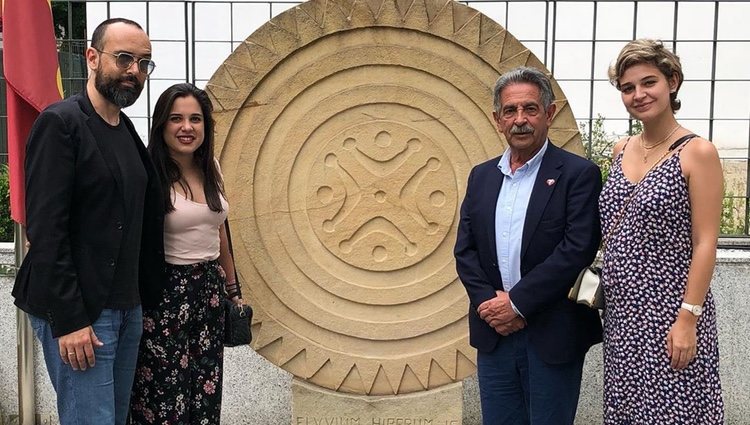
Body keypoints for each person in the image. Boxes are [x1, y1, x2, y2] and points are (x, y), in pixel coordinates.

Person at [12, 18, 163, 425]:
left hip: (125, 308)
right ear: (92, 58)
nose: (135, 71)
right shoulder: (61, 123)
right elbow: (45, 229)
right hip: (83, 313)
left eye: (144, 63)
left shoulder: (125, 128)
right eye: (125, 58)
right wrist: (71, 321)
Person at [454, 66, 603, 425]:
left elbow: (576, 249)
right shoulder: (482, 175)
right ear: (497, 119)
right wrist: (492, 306)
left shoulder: (578, 174)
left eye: (530, 109)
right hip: (495, 333)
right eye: (510, 111)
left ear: (549, 114)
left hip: (552, 334)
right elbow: (465, 250)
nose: (520, 120)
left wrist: (517, 304)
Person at [601, 39, 724, 424]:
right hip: (623, 315)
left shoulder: (697, 152)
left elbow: (706, 243)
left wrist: (688, 318)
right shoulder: (621, 149)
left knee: (677, 411)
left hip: (672, 312)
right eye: (627, 88)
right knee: (629, 411)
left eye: (648, 82)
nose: (638, 95)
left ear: (672, 82)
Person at [128, 83, 242, 424]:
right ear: (161, 124)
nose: (186, 127)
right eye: (176, 119)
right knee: (165, 397)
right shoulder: (147, 174)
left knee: (205, 395)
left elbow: (218, 229)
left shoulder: (212, 168)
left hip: (208, 293)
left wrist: (233, 290)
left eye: (195, 119)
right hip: (164, 298)